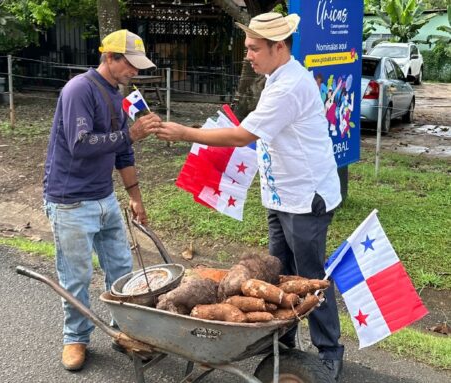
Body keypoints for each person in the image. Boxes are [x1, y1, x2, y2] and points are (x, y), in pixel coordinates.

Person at [154, 12, 344, 381]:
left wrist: (183, 132)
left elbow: (244, 136)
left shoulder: (290, 85)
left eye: (254, 48)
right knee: (277, 276)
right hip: (281, 195)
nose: (248, 56)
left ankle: (329, 351)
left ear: (278, 47)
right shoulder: (276, 78)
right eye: (247, 48)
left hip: (306, 199)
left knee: (309, 278)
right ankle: (284, 341)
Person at [42, 29, 160, 371]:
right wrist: (131, 133)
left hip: (104, 197)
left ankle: (124, 332)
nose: (135, 73)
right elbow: (80, 144)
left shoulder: (114, 94)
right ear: (110, 57)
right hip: (71, 200)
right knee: (76, 275)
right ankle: (75, 338)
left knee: (122, 268)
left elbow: (122, 151)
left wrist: (135, 197)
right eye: (131, 65)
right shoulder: (79, 89)